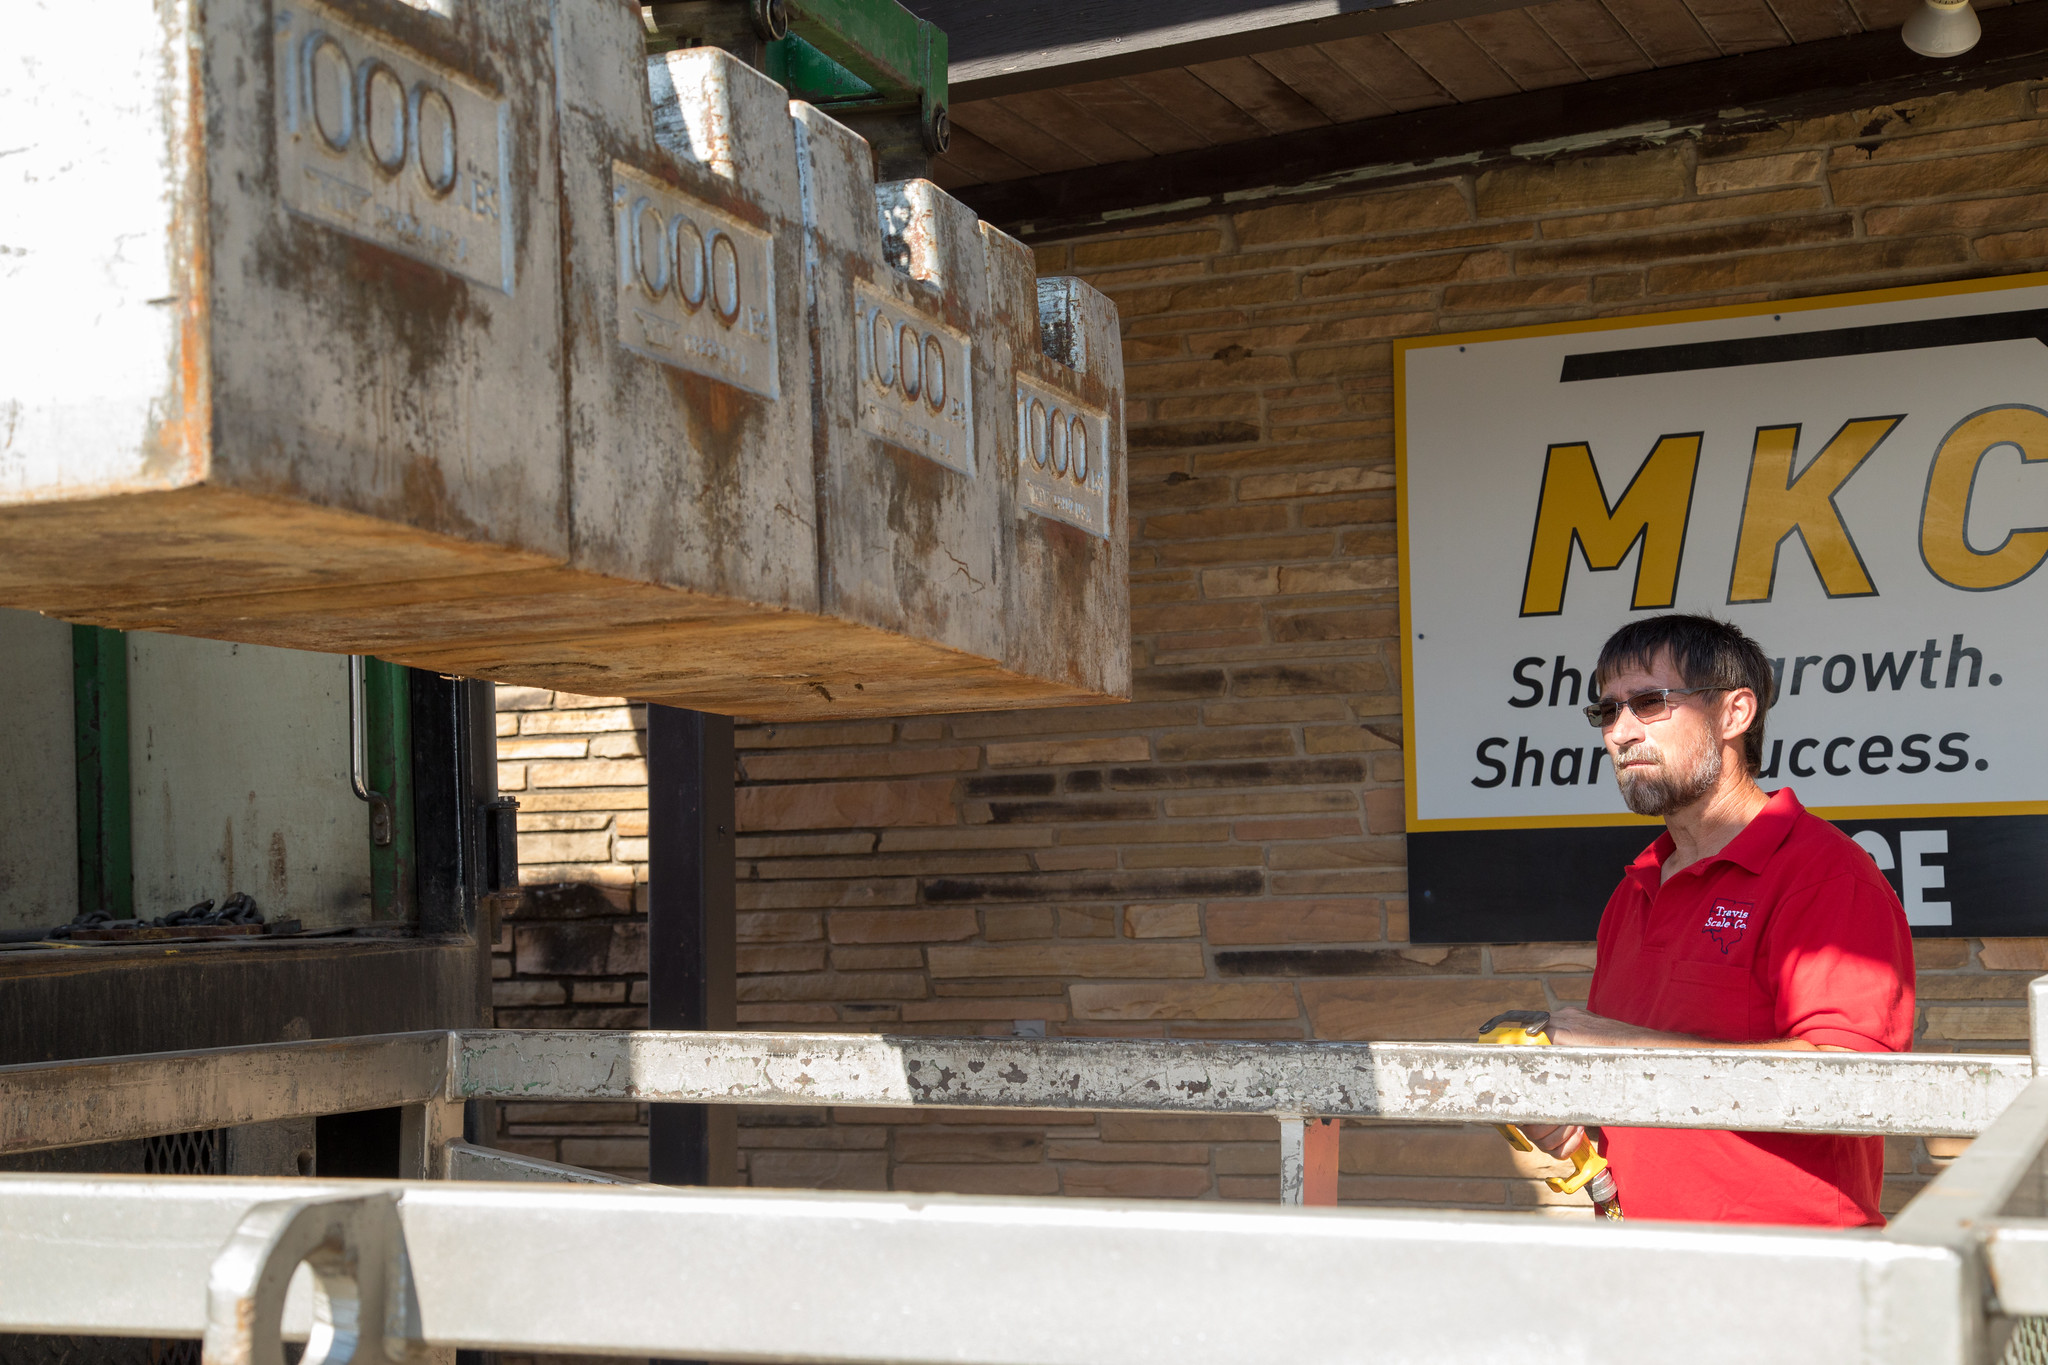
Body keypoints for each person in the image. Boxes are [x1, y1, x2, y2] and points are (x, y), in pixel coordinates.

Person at [1503, 613, 1914, 1226]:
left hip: (1788, 1279)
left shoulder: (1826, 876)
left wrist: (1611, 1044)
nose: (1621, 732)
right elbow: (1655, 1086)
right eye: (1607, 712)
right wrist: (1565, 1106)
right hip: (1640, 1267)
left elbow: (1851, 1087)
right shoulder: (1636, 889)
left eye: (1648, 703)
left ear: (1734, 713)